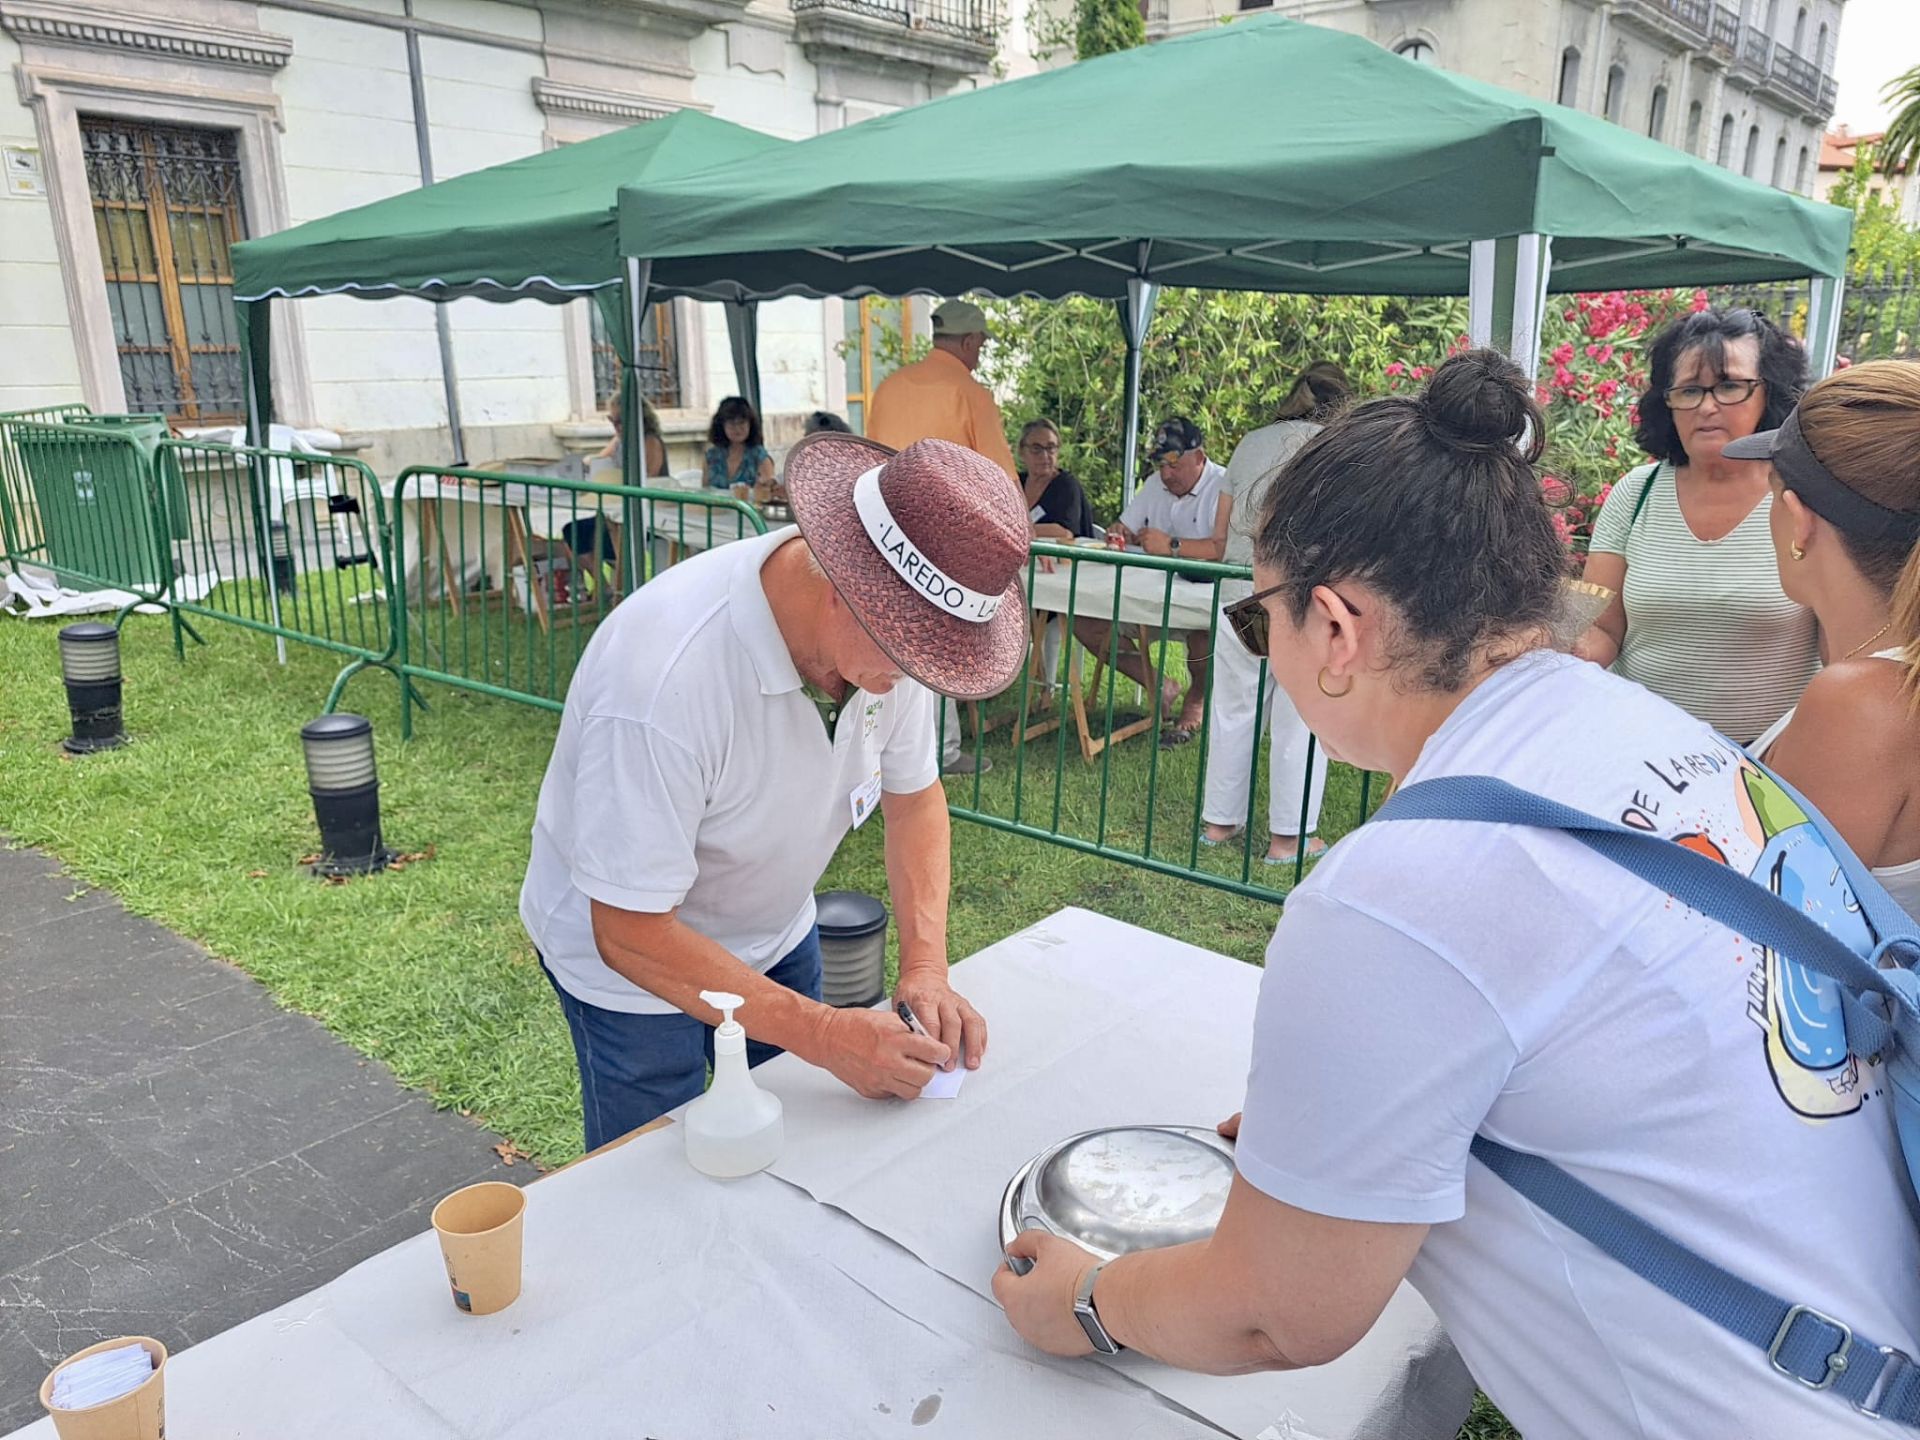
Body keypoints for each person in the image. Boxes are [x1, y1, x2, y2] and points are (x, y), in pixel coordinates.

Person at [993, 350, 1920, 1439]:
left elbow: (1273, 1316)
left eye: (1259, 622)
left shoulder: (1395, 895)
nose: (1267, 648)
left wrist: (1082, 1300)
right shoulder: (1645, 726)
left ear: (1335, 630)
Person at [520, 434, 1029, 1150]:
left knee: (791, 1145)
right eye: (914, 654)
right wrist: (823, 1033)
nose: (919, 679)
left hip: (775, 930)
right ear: (842, 587)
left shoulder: (893, 651)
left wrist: (925, 967)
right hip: (633, 972)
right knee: (650, 1175)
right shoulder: (661, 681)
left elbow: (914, 799)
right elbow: (629, 931)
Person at [1576, 308, 1817, 743]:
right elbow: (1600, 626)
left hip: (1771, 765)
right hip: (1644, 755)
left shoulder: (1804, 498)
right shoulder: (1636, 495)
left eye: (1729, 386)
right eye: (1688, 390)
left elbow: (1843, 648)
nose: (1707, 406)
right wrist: (1548, 648)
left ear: (1771, 394)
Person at [1737, 361, 1920, 919]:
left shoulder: (1862, 703)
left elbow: (1755, 929)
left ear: (1799, 522)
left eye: (1772, 493)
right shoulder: (1882, 671)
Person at [1202, 363, 1351, 862]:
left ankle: (1219, 825)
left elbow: (1223, 534)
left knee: (1231, 708)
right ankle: (1290, 838)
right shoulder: (1334, 452)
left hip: (1238, 587)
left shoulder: (1249, 443)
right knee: (1300, 714)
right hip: (1299, 593)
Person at [868, 299, 1020, 775]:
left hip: (879, 522)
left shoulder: (890, 386)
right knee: (936, 644)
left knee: (883, 636)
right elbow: (1001, 481)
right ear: (970, 342)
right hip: (940, 538)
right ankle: (942, 752)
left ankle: (875, 748)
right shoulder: (970, 393)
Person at [1099, 417, 1231, 745]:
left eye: (1174, 463)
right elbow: (1124, 525)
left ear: (1200, 457)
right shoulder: (1155, 484)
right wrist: (1120, 532)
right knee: (1087, 620)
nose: (1166, 473)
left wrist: (1171, 546)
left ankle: (1195, 701)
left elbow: (1225, 549)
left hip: (1199, 598)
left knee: (1204, 642)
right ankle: (1158, 684)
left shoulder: (1224, 485)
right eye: (1161, 464)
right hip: (1147, 595)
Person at [1017, 418, 1096, 697]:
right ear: (1022, 452)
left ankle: (1046, 687)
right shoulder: (1017, 481)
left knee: (1044, 610)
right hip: (1024, 569)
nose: (1045, 456)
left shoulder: (1065, 485)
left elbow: (1065, 530)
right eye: (1037, 449)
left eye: (1051, 448)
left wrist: (1021, 528)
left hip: (1063, 576)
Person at [704, 395, 776, 496]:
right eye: (732, 423)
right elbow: (705, 492)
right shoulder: (711, 456)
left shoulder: (760, 456)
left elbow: (769, 493)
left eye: (742, 423)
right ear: (721, 426)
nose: (737, 429)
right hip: (717, 511)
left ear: (750, 424)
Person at [593, 396, 668, 478]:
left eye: (620, 421)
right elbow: (599, 457)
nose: (616, 426)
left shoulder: (651, 441)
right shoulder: (619, 439)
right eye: (612, 420)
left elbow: (650, 477)